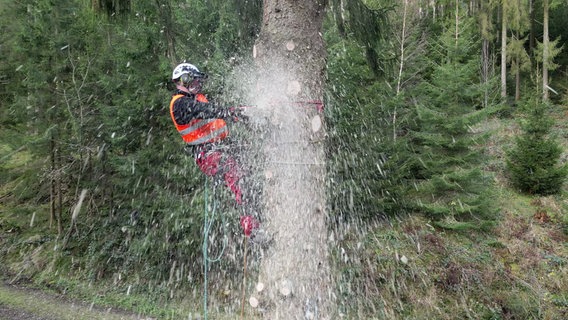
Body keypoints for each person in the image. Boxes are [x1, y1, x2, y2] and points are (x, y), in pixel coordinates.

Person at [169, 62, 258, 237]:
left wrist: (242, 115)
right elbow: (205, 111)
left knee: (250, 165)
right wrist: (231, 112)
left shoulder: (198, 98)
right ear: (184, 80)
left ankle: (255, 215)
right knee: (237, 175)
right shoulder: (179, 104)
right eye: (194, 81)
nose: (198, 85)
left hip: (221, 147)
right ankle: (251, 227)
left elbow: (214, 117)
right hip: (207, 154)